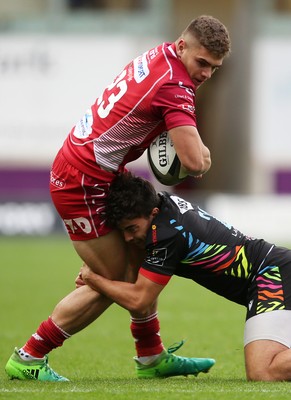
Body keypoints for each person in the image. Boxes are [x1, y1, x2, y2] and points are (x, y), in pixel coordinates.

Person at [5, 15, 230, 381]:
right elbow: (193, 162)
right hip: (80, 179)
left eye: (214, 68)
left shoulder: (158, 57)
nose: (205, 74)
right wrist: (204, 156)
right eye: (201, 63)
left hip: (98, 171)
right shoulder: (174, 85)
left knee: (142, 254)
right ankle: (29, 356)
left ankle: (151, 356)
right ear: (182, 45)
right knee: (119, 280)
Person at [79, 172, 291, 382]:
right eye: (123, 231)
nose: (127, 238)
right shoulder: (162, 205)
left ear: (152, 214)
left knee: (264, 372)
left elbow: (139, 300)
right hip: (273, 271)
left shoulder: (167, 234)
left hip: (272, 274)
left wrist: (93, 278)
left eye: (132, 229)